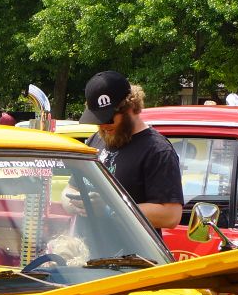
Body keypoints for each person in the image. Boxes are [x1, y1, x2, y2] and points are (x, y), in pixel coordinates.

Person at [78, 70, 183, 230]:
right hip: (86, 243)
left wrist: (110, 208)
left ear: (131, 107)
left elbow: (171, 215)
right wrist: (72, 202)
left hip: (128, 247)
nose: (103, 126)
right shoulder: (95, 139)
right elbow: (71, 188)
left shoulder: (157, 150)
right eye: (98, 119)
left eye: (108, 119)